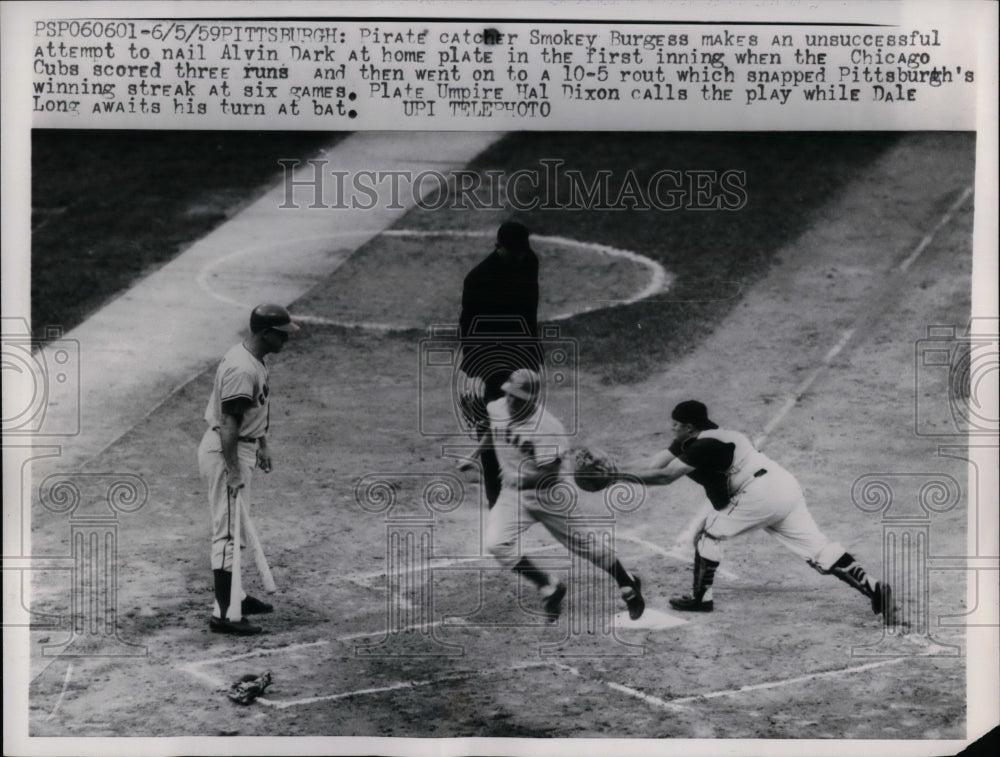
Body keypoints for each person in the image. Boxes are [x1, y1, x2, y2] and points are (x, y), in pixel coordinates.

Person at [616, 400, 898, 624]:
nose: (672, 430)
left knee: (706, 535)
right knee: (817, 548)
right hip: (783, 487)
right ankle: (874, 588)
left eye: (675, 425)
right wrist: (614, 469)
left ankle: (701, 599)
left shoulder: (705, 445)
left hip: (758, 494)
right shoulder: (713, 435)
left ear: (689, 427)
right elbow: (654, 464)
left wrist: (612, 478)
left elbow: (665, 477)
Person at [482, 368, 645, 623]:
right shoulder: (497, 408)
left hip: (550, 496)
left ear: (532, 400)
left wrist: (520, 479)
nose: (511, 401)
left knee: (587, 546)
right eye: (509, 394)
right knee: (496, 543)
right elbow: (493, 431)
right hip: (513, 496)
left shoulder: (548, 428)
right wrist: (472, 457)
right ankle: (549, 586)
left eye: (518, 398)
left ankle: (628, 583)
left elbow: (550, 475)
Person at [197, 303, 299, 635]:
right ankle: (225, 615)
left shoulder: (252, 359)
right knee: (227, 535)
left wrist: (263, 444)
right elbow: (229, 423)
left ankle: (236, 595)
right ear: (266, 333)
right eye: (283, 334)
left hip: (241, 448)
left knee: (235, 530)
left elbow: (253, 410)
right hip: (228, 451)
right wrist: (233, 470)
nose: (287, 340)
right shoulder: (243, 369)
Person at [458, 221, 541, 509]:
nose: (520, 256)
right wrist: (472, 373)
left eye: (522, 251)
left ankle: (523, 486)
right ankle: (496, 501)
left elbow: (529, 312)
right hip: (490, 360)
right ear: (500, 247)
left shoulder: (528, 261)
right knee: (491, 425)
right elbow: (468, 327)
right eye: (514, 252)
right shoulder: (478, 279)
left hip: (520, 355)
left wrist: (533, 356)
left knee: (522, 424)